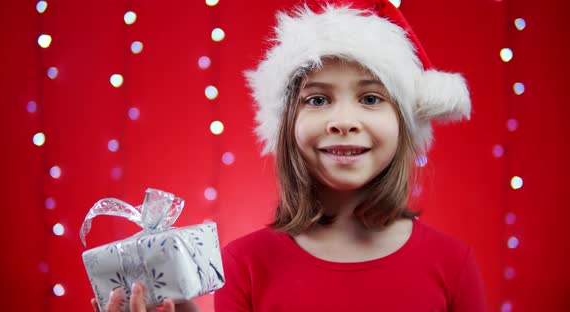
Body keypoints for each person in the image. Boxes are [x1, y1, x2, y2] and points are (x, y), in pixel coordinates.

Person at [97, 0, 486, 311]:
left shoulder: (452, 264)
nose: (343, 121)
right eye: (318, 99)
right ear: (287, 126)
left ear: (404, 123)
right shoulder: (245, 264)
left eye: (370, 98)